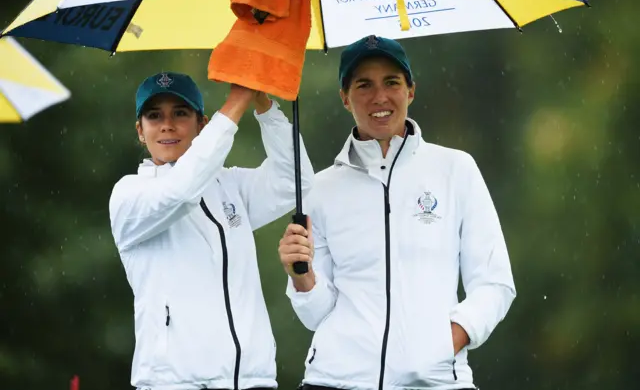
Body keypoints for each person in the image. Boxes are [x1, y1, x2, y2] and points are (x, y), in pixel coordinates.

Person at [278, 35, 516, 390]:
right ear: (345, 98)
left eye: (392, 82)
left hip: (435, 381)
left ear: (411, 91)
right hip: (334, 380)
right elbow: (317, 314)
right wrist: (301, 276)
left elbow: (495, 283)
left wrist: (446, 342)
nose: (379, 97)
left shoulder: (455, 169)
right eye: (364, 85)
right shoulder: (320, 189)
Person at [109, 72, 314, 390]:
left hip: (252, 379)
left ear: (201, 125)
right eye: (154, 116)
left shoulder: (229, 185)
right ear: (140, 130)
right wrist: (236, 102)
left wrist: (264, 106)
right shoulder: (129, 194)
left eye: (180, 113)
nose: (167, 125)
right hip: (174, 383)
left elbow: (294, 180)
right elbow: (182, 191)